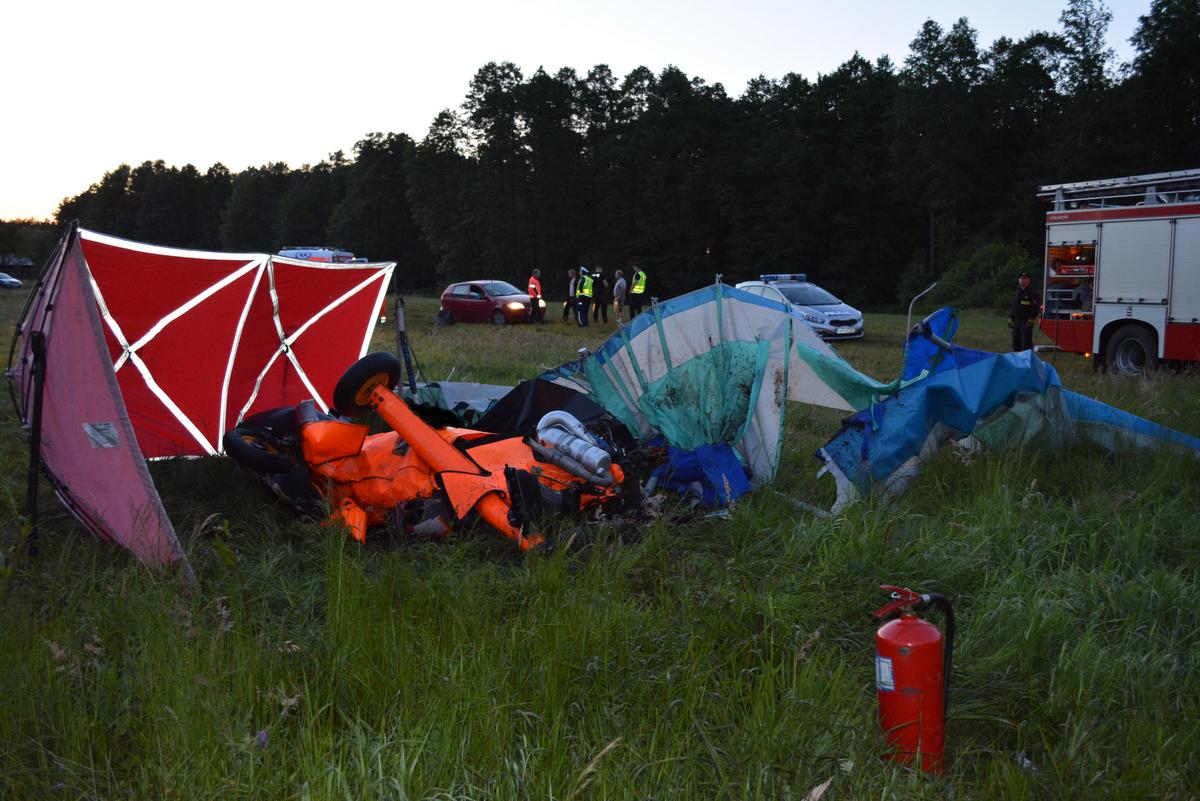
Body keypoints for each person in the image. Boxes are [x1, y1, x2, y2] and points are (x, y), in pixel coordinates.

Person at [1010, 271, 1039, 351]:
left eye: (1024, 279)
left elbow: (1035, 308)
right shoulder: (1018, 292)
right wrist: (1011, 319)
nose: (1022, 280)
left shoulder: (1032, 293)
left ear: (1029, 280)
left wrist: (1031, 319)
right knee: (1016, 342)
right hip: (1016, 320)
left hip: (1026, 321)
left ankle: (1028, 359)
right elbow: (1014, 306)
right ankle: (1017, 359)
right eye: (1021, 278)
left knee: (1026, 342)